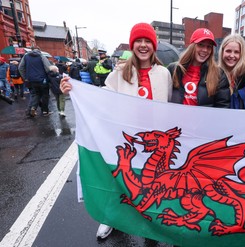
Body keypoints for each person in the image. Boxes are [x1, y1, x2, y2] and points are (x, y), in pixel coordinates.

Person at [60, 22, 173, 240]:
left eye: (147, 41)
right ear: (132, 44)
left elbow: (167, 103)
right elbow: (102, 96)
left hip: (152, 140)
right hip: (127, 138)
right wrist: (73, 88)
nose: (142, 45)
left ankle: (152, 220)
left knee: (150, 182)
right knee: (118, 178)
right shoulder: (121, 72)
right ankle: (111, 217)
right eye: (138, 41)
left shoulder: (163, 74)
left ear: (153, 46)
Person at [168, 28, 230, 108]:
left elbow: (223, 106)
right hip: (177, 119)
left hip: (204, 120)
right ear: (192, 46)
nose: (205, 50)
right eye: (201, 45)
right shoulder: (174, 69)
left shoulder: (219, 74)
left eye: (209, 47)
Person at [19, 48, 52, 117]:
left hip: (31, 80)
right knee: (45, 95)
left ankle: (33, 107)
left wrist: (25, 77)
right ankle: (45, 111)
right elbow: (48, 68)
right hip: (43, 80)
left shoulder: (26, 56)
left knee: (36, 94)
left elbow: (20, 68)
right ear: (39, 51)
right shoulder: (41, 56)